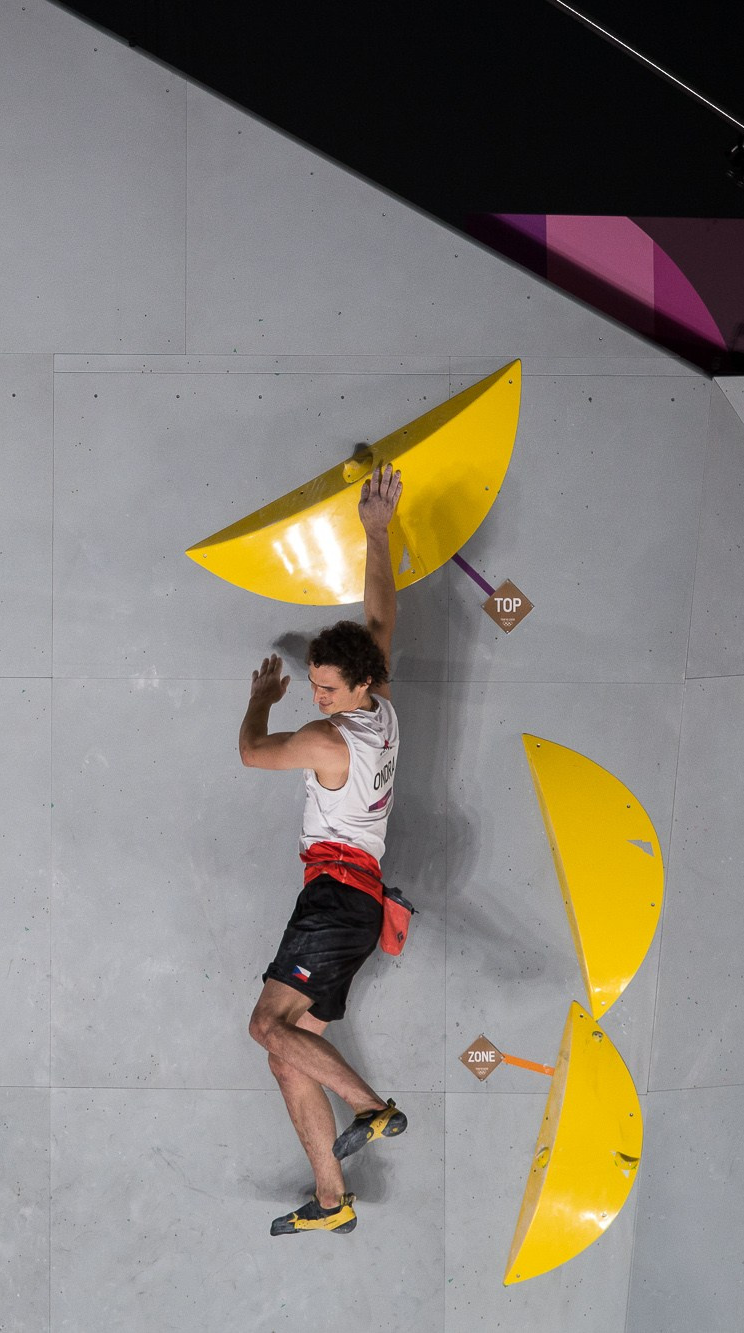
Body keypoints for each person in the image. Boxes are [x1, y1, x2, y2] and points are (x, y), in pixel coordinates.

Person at [238, 464, 409, 1237]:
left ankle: (373, 1107)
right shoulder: (380, 705)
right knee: (290, 1051)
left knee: (266, 1028)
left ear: (357, 686)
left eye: (327, 687)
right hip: (356, 902)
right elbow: (379, 612)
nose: (318, 696)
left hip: (336, 899)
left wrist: (259, 702)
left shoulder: (323, 738)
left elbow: (251, 753)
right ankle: (332, 1200)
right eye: (312, 685)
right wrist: (378, 531)